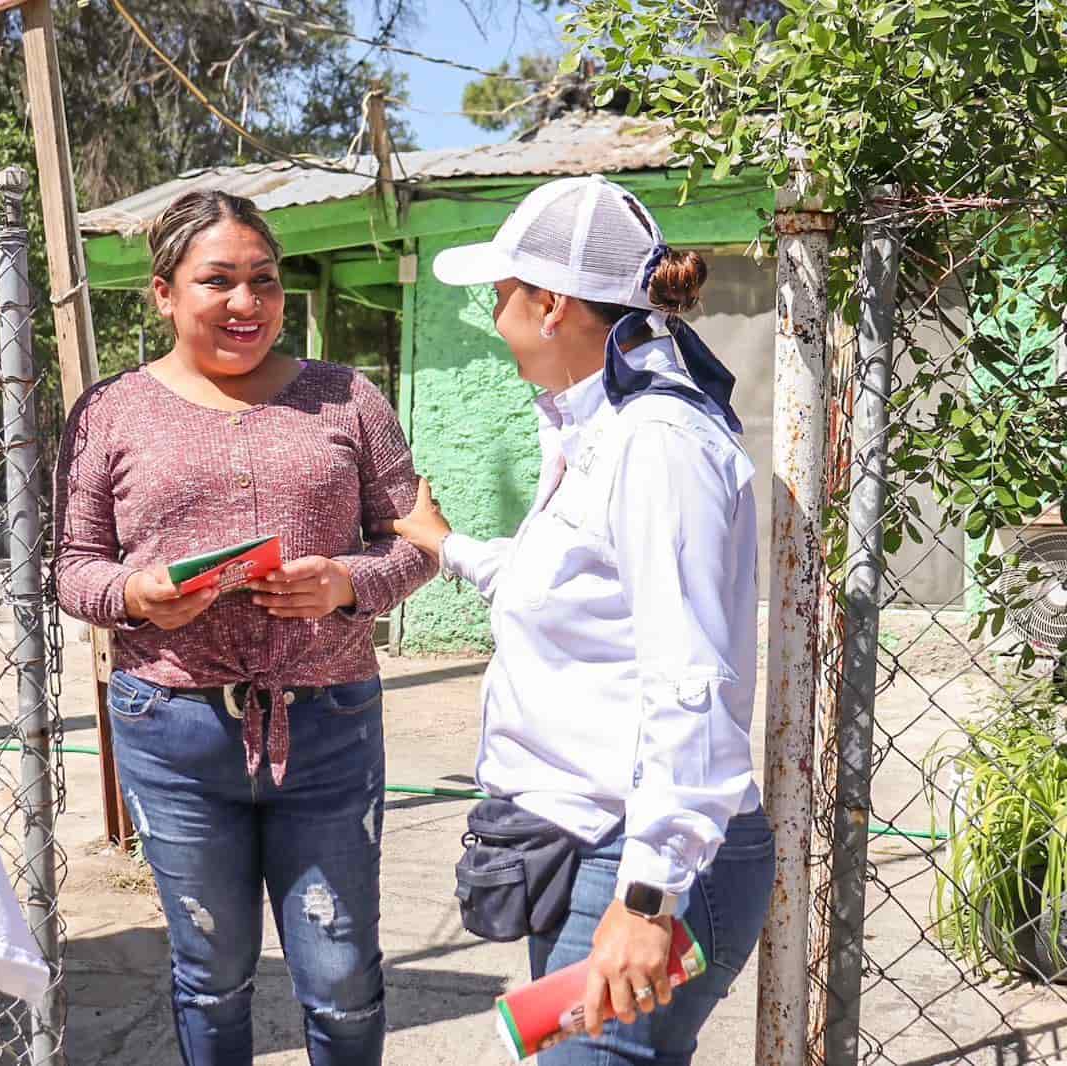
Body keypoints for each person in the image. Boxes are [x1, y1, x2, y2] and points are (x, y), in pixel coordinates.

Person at [383, 175, 775, 1065]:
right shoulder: (605, 429)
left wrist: (646, 900)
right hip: (594, 847)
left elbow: (692, 680)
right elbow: (570, 591)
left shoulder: (655, 443)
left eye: (501, 296)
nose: (496, 317)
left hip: (639, 859)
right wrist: (447, 546)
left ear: (551, 304)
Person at [53, 189, 435, 1066]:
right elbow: (74, 567)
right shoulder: (111, 413)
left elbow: (419, 544)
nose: (246, 303)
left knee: (341, 982)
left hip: (329, 725)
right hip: (173, 728)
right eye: (217, 280)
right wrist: (137, 595)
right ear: (162, 293)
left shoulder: (347, 399)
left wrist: (346, 582)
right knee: (211, 976)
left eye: (263, 280)